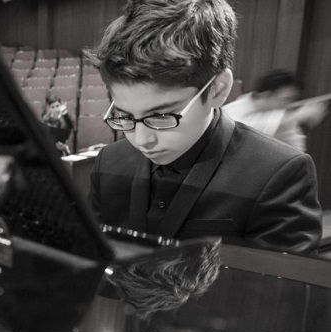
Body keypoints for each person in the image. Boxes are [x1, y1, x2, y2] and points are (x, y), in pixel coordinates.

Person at [84, 0, 322, 255]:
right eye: (124, 115)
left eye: (162, 116)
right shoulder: (109, 160)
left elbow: (276, 280)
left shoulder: (279, 174)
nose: (142, 140)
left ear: (218, 89)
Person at [223, 69, 328, 152]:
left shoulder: (282, 116)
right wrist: (297, 116)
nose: (289, 104)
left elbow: (297, 150)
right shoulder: (232, 110)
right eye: (286, 99)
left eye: (292, 99)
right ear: (265, 95)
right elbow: (242, 133)